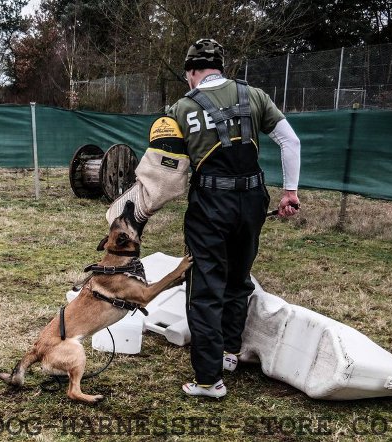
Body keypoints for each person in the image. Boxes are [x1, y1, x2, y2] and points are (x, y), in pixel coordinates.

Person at [106, 38, 300, 398]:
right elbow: (290, 142)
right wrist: (290, 191)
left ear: (191, 73)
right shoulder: (254, 95)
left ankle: (209, 380)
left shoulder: (181, 108)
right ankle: (228, 352)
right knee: (238, 279)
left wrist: (134, 213)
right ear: (220, 68)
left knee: (206, 288)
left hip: (211, 202)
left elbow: (163, 175)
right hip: (254, 199)